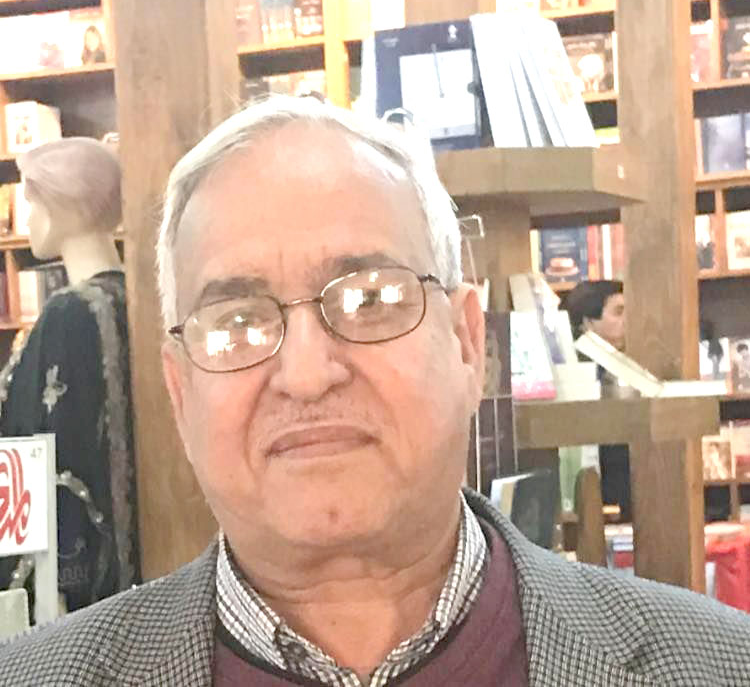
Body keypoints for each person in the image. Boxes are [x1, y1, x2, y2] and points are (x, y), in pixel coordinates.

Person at [2, 97, 749, 684]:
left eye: (370, 299)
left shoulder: (717, 665)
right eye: (237, 322)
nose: (306, 374)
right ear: (179, 391)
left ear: (468, 344)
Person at [0, 138, 140, 615]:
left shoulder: (69, 313)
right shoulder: (131, 300)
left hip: (73, 576)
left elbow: (54, 446)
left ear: (62, 206)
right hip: (134, 556)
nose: (29, 218)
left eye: (33, 202)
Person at [560, 279, 630, 520]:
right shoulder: (577, 369)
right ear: (588, 322)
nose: (627, 320)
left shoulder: (615, 362)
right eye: (618, 312)